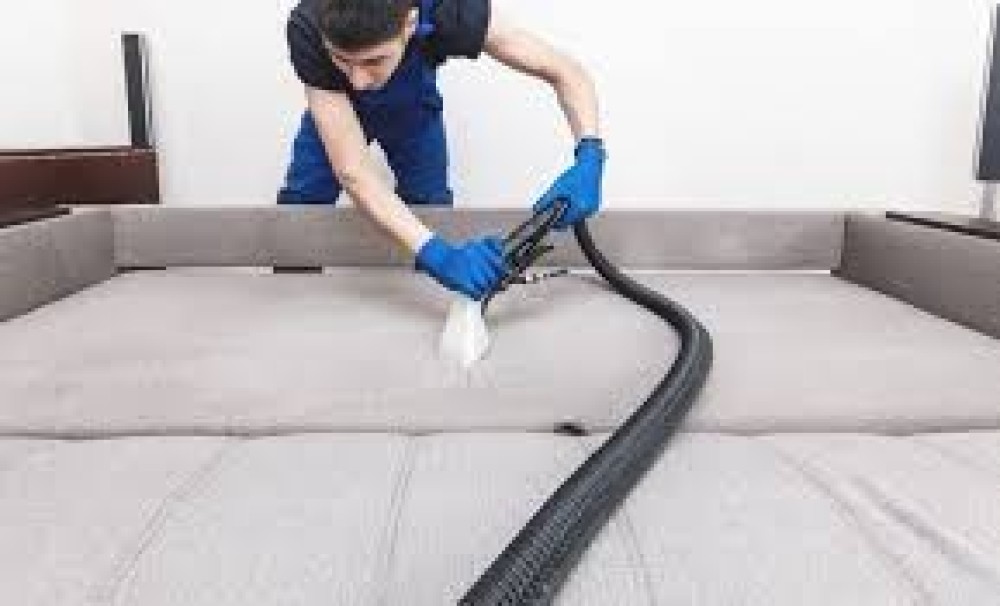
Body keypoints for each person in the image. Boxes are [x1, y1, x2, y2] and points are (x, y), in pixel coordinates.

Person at [279, 0, 605, 301]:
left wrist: (590, 154)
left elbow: (565, 71)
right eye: (341, 59)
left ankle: (437, 301)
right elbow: (354, 171)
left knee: (430, 208)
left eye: (374, 60)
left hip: (413, 114)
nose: (359, 81)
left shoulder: (451, 10)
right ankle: (289, 304)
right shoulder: (308, 25)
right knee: (300, 208)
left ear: (411, 24)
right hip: (336, 109)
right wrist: (439, 255)